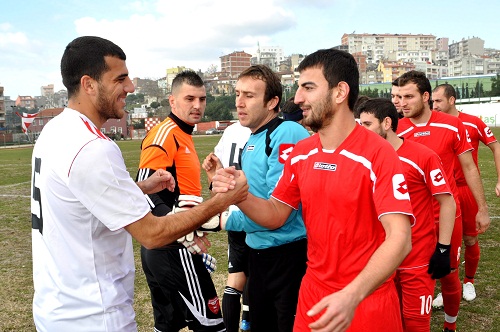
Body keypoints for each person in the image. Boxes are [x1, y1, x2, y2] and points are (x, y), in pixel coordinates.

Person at [30, 36, 248, 332]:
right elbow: (151, 233)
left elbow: (82, 199)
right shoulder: (93, 146)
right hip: (94, 316)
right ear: (89, 84)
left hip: (57, 308)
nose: (131, 87)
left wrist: (141, 188)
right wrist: (221, 203)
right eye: (120, 79)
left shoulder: (55, 131)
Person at [213, 49, 414, 332]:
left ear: (340, 92)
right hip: (312, 297)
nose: (297, 99)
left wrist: (352, 295)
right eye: (298, 88)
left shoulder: (378, 154)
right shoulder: (302, 152)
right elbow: (275, 215)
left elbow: (401, 238)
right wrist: (240, 194)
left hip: (365, 301)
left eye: (308, 88)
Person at [207, 64, 310, 331]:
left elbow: (277, 214)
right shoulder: (253, 139)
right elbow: (252, 200)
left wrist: (221, 220)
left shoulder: (286, 132)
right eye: (238, 94)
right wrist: (218, 182)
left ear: (272, 102)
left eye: (249, 95)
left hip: (288, 258)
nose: (239, 102)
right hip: (259, 255)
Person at [397, 71, 490, 332]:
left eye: (408, 96)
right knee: (402, 274)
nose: (402, 103)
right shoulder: (395, 126)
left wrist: (482, 208)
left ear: (426, 97)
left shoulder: (452, 125)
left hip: (447, 215)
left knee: (448, 274)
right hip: (410, 216)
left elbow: (469, 168)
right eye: (399, 97)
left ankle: (451, 325)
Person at [136, 71, 227, 332]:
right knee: (212, 326)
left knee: (167, 326)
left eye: (202, 99)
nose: (197, 105)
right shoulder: (164, 134)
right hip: (172, 250)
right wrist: (185, 237)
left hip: (168, 247)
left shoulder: (182, 134)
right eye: (190, 98)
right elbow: (146, 191)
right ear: (172, 101)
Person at [355, 98, 456, 332]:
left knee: (415, 325)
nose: (362, 130)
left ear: (387, 123)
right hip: (381, 260)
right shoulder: (364, 158)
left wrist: (443, 248)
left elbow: (447, 202)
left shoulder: (423, 156)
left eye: (367, 124)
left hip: (416, 260)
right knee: (387, 324)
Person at [432, 83, 500, 301]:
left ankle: (469, 282)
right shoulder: (433, 124)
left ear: (451, 100)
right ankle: (447, 288)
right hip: (444, 192)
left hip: (467, 190)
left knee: (470, 239)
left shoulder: (472, 122)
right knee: (445, 242)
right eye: (433, 101)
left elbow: (496, 146)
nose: (435, 106)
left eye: (438, 101)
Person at [202, 121, 252, 332]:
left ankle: (242, 322)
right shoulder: (263, 128)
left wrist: (213, 180)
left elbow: (215, 174)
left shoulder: (230, 131)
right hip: (258, 210)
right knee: (257, 273)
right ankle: (247, 321)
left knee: (237, 277)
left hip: (234, 212)